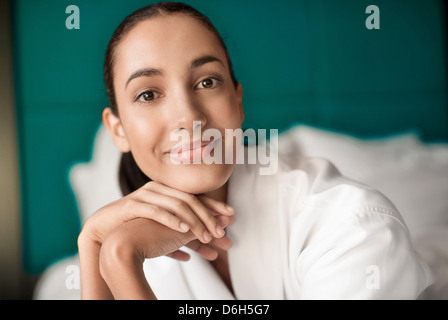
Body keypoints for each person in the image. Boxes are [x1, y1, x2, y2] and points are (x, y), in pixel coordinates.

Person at [77, 2, 432, 299]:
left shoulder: (352, 226)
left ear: (237, 99)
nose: (188, 116)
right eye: (149, 94)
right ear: (117, 130)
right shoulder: (137, 246)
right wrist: (97, 248)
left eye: (207, 81)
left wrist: (120, 260)